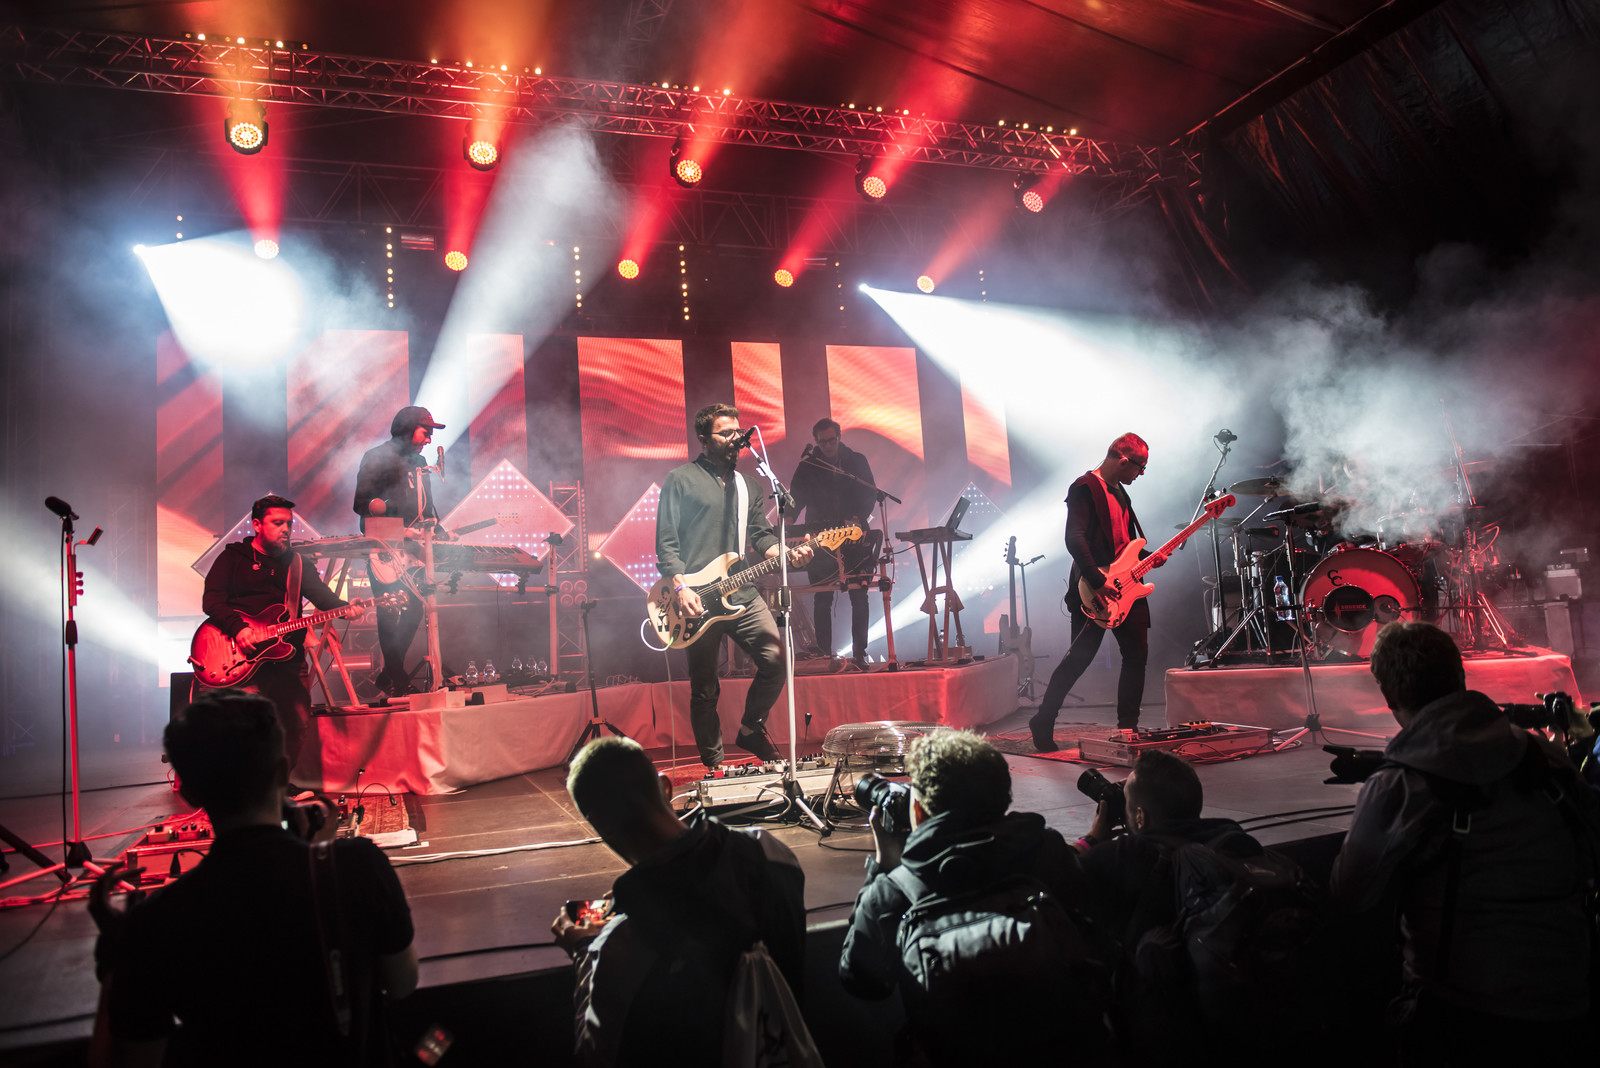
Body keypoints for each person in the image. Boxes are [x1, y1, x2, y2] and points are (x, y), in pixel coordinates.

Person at [95, 690, 417, 1066]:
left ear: (188, 793)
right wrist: (320, 854)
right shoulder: (358, 865)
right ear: (282, 772)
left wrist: (117, 952)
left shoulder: (154, 922)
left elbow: (135, 1059)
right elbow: (402, 983)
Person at [1329, 621, 1595, 1062]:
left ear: (1389, 696)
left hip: (1461, 1012)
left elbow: (1350, 892)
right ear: (1460, 675)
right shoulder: (1542, 756)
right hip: (1568, 999)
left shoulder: (1400, 784)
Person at [838, 730, 1102, 1067]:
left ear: (917, 809)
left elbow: (861, 981)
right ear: (1004, 796)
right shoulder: (1044, 849)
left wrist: (883, 866)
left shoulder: (895, 890)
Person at [551, 736, 807, 1067]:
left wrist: (585, 951)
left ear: (600, 823)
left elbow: (596, 1055)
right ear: (666, 787)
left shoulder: (622, 944)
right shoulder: (774, 855)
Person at [655, 402, 813, 768]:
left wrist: (786, 553)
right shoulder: (680, 479)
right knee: (705, 688)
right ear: (703, 438)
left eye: (737, 432)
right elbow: (666, 541)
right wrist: (680, 587)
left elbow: (761, 535)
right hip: (695, 597)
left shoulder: (749, 486)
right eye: (725, 433)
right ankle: (714, 766)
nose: (734, 438)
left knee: (778, 660)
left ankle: (751, 728)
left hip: (740, 590)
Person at [1031, 432, 1166, 749]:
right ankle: (1043, 719)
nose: (1141, 474)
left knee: (1136, 656)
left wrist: (1149, 558)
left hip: (1127, 588)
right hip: (1094, 588)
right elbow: (1074, 537)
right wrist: (1095, 579)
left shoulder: (1121, 493)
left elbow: (1124, 544)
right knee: (1078, 659)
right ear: (1124, 460)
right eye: (1140, 467)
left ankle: (1128, 728)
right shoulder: (1085, 487)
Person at [201, 493, 351, 778]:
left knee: (295, 724)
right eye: (278, 523)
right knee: (245, 726)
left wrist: (347, 609)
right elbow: (212, 601)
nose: (286, 529)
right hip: (241, 656)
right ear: (257, 525)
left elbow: (323, 598)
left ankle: (278, 785)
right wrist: (238, 628)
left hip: (287, 658)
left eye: (289, 524)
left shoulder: (297, 563)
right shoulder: (233, 558)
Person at [353, 405, 448, 695]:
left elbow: (427, 508)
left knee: (416, 607)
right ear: (407, 429)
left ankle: (390, 674)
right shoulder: (376, 457)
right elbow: (360, 503)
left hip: (413, 547)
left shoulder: (421, 462)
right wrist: (386, 509)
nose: (429, 439)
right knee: (388, 609)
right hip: (384, 544)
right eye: (425, 432)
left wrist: (438, 529)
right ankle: (398, 678)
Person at [790, 417, 883, 665]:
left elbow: (869, 492)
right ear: (816, 442)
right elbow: (794, 501)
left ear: (839, 437)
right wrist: (786, 523)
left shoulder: (856, 461)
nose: (828, 446)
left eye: (832, 440)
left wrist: (857, 517)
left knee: (858, 594)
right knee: (822, 596)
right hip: (819, 537)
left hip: (853, 534)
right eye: (823, 442)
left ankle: (860, 653)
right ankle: (824, 653)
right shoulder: (808, 467)